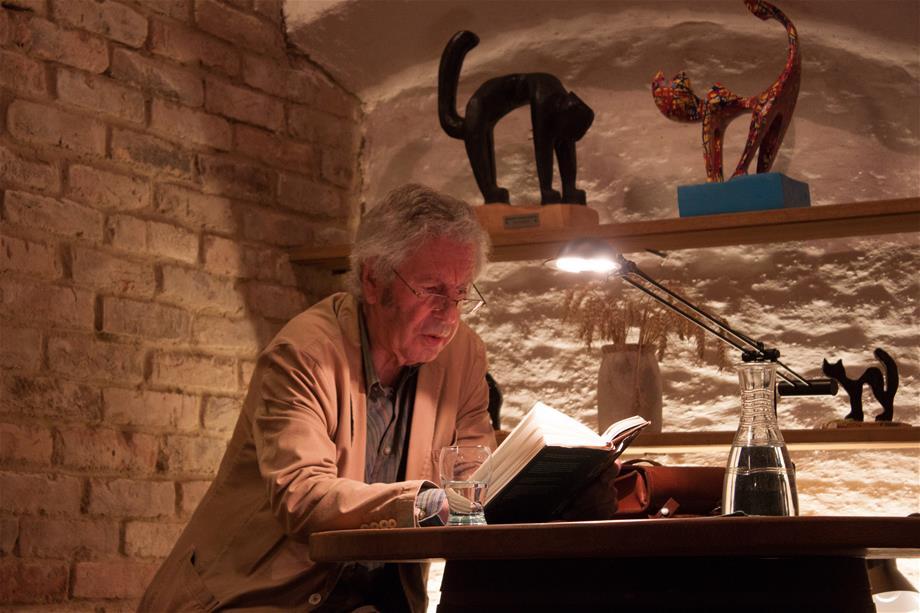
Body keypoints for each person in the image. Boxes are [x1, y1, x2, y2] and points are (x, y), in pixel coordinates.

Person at [139, 184, 496, 612]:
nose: (450, 315)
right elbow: (303, 497)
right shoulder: (302, 355)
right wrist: (424, 505)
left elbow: (475, 470)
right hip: (257, 596)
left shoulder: (464, 355)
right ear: (372, 279)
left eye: (460, 293)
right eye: (432, 290)